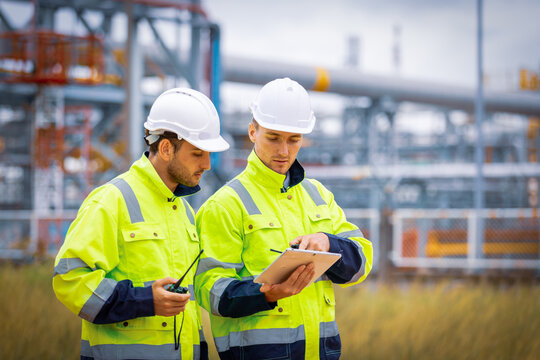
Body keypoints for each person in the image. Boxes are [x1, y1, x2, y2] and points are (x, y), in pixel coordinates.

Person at [194, 77, 373, 359]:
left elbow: (361, 262)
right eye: (274, 138)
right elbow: (209, 290)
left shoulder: (318, 195)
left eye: (294, 140)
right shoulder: (226, 204)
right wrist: (266, 293)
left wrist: (328, 243)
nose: (284, 151)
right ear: (252, 131)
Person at [53, 88, 229, 360]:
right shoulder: (112, 201)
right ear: (167, 148)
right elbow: (70, 279)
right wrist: (145, 301)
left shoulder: (183, 211)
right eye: (197, 153)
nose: (207, 164)